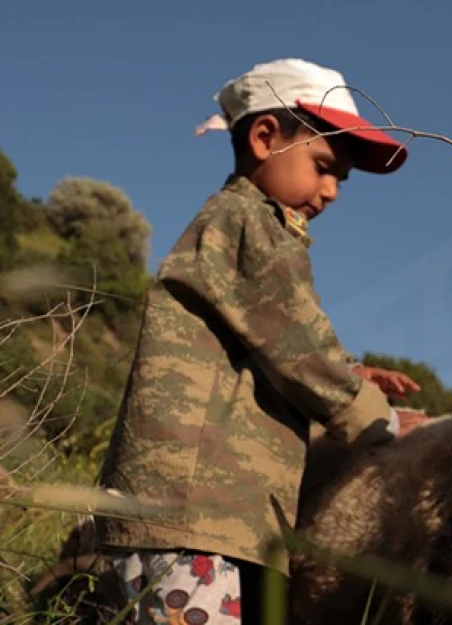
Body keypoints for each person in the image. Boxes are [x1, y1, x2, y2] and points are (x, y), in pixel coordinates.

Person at [93, 58, 426, 624]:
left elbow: (266, 342)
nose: (332, 192)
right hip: (191, 513)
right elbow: (299, 344)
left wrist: (352, 372)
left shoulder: (241, 232)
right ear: (266, 137)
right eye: (323, 166)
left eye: (340, 179)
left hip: (211, 516)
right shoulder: (251, 222)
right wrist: (380, 421)